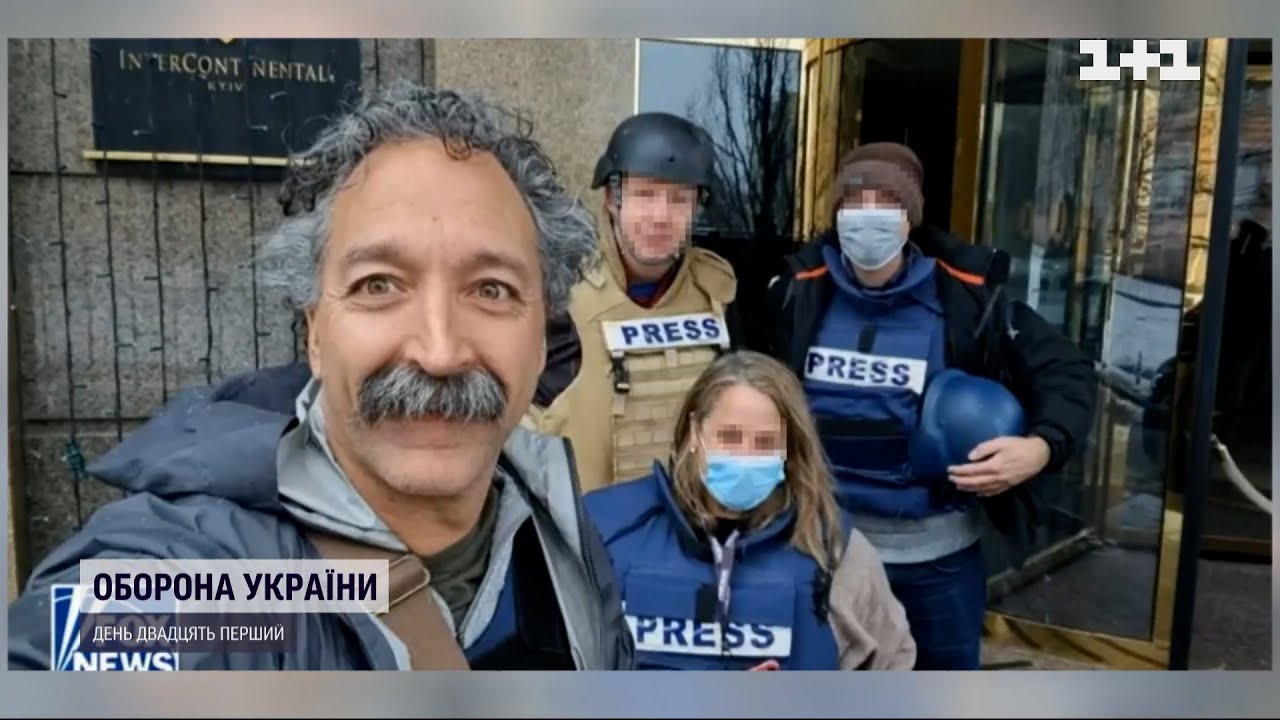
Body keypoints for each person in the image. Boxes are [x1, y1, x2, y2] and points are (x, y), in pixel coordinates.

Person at [8, 81, 634, 671]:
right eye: (379, 285)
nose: (440, 352)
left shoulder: (560, 535)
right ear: (315, 334)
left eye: (491, 289)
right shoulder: (220, 589)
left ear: (541, 337)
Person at [766, 142, 1096, 670]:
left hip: (937, 565)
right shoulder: (795, 293)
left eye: (886, 203)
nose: (868, 217)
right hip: (823, 551)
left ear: (910, 218)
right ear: (836, 214)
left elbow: (1067, 371)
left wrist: (1040, 448)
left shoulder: (966, 298)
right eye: (855, 202)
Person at [583, 351, 917, 671]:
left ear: (788, 447)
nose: (745, 457)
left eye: (764, 442)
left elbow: (892, 675)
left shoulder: (836, 554)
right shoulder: (605, 531)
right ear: (695, 431)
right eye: (730, 437)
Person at [528, 112, 745, 493]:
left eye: (679, 200)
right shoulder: (561, 294)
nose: (661, 216)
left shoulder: (718, 295)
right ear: (612, 199)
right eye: (645, 195)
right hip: (588, 521)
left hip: (688, 518)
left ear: (697, 208)